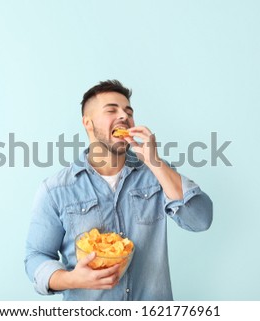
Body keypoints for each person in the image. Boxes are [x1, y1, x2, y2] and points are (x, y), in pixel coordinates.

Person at [24, 80, 213, 300]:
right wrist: (71, 279)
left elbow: (200, 220)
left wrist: (155, 162)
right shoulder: (56, 189)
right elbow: (36, 256)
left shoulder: (156, 173)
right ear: (88, 123)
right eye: (112, 110)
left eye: (128, 111)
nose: (124, 116)